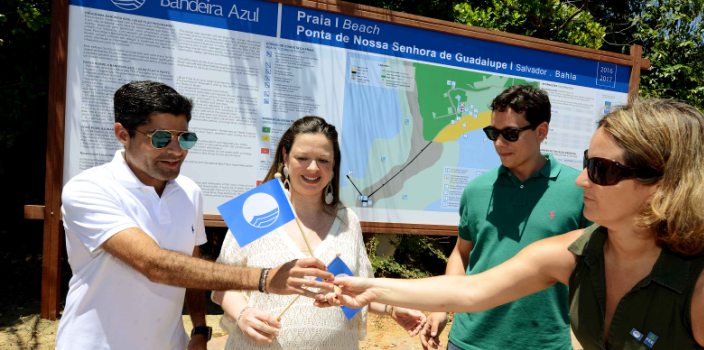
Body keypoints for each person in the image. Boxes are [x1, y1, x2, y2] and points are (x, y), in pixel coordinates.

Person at [323, 99, 704, 349]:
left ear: (665, 184)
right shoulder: (577, 252)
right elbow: (471, 291)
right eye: (588, 162)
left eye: (604, 170)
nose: (583, 178)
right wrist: (366, 289)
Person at [57, 81, 335, 350]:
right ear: (123, 134)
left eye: (185, 138)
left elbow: (190, 265)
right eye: (161, 138)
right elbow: (155, 264)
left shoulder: (189, 192)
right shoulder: (89, 189)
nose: (177, 150)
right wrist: (265, 278)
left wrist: (200, 329)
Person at [212, 116, 426, 349]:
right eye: (302, 158)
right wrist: (243, 314)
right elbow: (222, 283)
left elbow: (357, 290)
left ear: (334, 164)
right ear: (285, 156)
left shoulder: (347, 221)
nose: (313, 168)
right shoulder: (257, 210)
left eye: (323, 160)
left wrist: (392, 308)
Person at [419, 84, 589, 350]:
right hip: (469, 341)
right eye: (493, 133)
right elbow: (462, 254)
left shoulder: (579, 190)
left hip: (546, 343)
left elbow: (597, 267)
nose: (499, 143)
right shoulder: (476, 190)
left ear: (541, 131)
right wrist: (444, 307)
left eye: (510, 133)